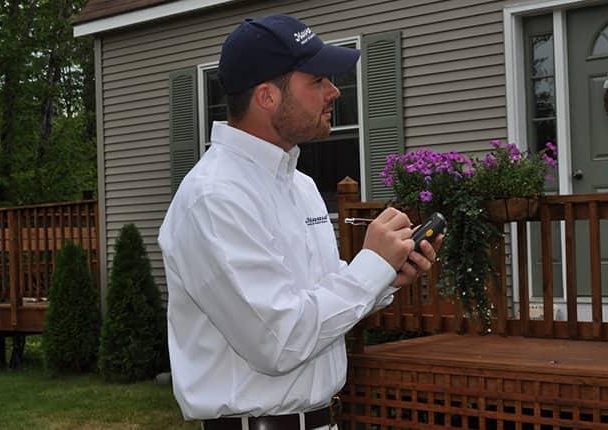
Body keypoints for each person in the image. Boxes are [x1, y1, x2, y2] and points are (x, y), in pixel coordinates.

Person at [158, 14, 442, 430]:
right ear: (267, 97)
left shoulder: (301, 185)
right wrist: (369, 269)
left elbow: (312, 302)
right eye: (317, 81)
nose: (334, 91)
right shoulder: (215, 197)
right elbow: (278, 341)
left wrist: (385, 277)